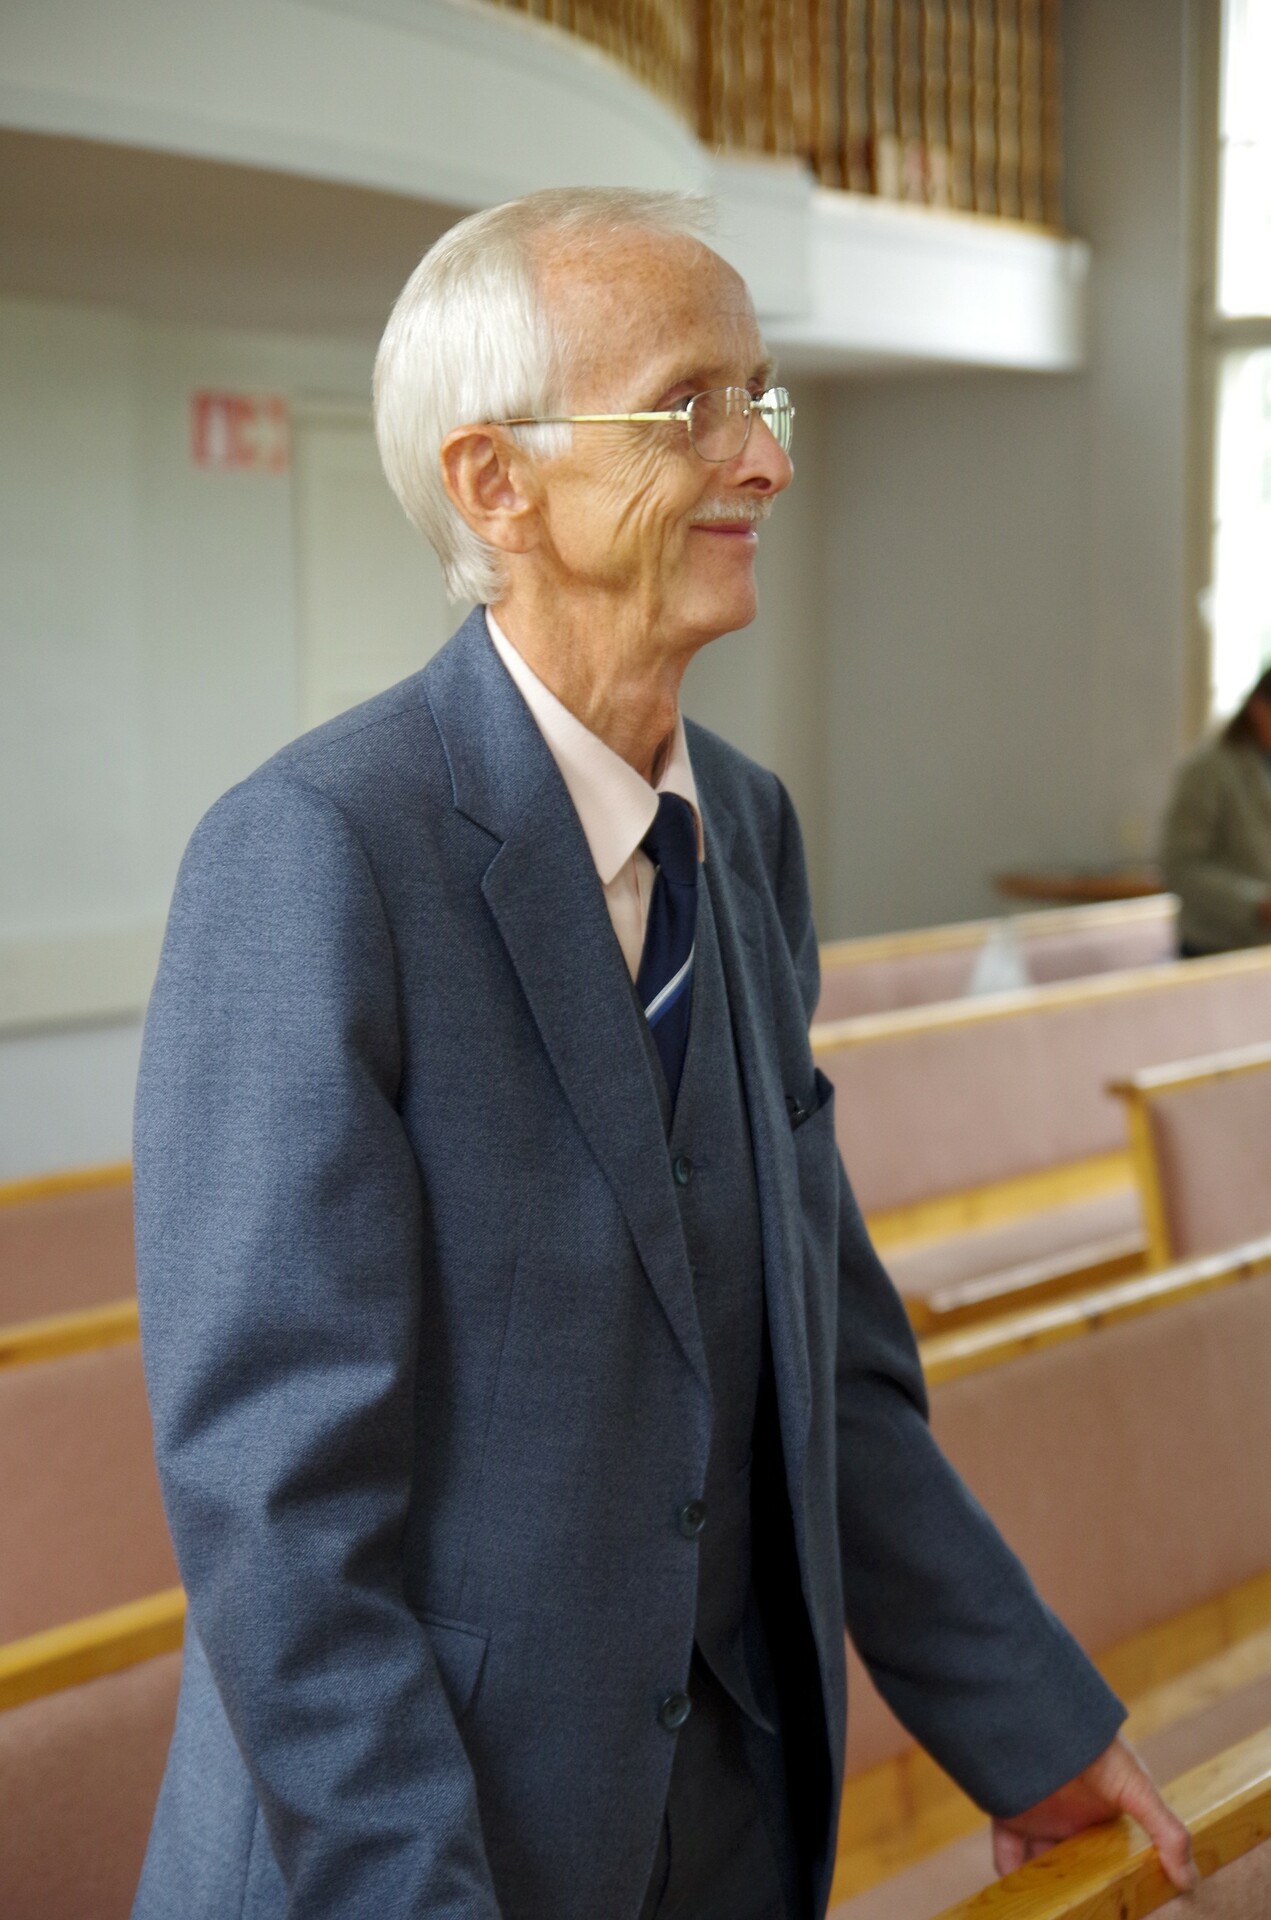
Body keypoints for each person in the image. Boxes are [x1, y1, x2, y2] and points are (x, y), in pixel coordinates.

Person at [131, 189, 1194, 1920]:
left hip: (722, 1825)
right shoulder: (319, 853)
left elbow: (822, 1361)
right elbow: (278, 1510)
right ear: (496, 482)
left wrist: (1023, 1726)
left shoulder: (746, 833)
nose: (761, 459)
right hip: (418, 1847)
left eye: (758, 400)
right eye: (686, 405)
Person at [1161, 663, 1271, 956]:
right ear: (1258, 708)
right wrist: (1257, 904)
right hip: (1217, 948)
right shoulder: (1209, 770)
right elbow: (1180, 866)